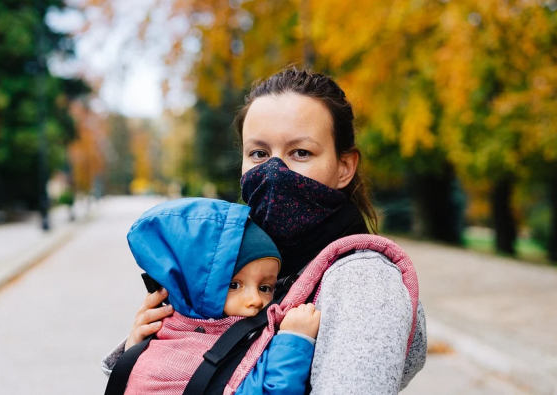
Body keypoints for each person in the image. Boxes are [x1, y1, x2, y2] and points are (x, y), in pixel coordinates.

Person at [102, 68, 427, 394]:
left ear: (344, 167)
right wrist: (146, 349)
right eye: (259, 153)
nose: (274, 171)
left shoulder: (363, 280)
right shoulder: (238, 256)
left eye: (301, 152)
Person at [121, 198, 320, 395]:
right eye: (234, 285)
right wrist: (294, 341)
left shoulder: (246, 331)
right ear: (194, 287)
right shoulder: (168, 357)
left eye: (265, 288)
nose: (256, 300)